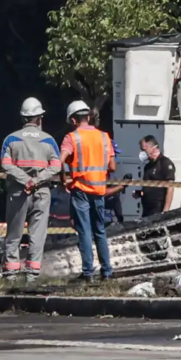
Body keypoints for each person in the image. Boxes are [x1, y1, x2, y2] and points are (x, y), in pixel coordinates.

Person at [0, 97, 61, 283]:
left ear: (23, 118)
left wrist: (25, 180)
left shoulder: (11, 139)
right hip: (41, 192)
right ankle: (32, 275)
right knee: (37, 234)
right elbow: (56, 166)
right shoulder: (49, 140)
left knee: (14, 233)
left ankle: (10, 274)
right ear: (39, 118)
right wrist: (36, 180)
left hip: (19, 191)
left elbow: (6, 165)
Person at [59, 100, 116, 283]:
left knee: (84, 231)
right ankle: (107, 272)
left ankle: (88, 273)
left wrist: (64, 180)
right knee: (100, 231)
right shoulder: (104, 137)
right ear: (89, 117)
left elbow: (60, 160)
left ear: (73, 120)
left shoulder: (71, 138)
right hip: (99, 189)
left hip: (81, 189)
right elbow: (112, 166)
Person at [132, 135, 176, 218]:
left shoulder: (165, 163)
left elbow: (170, 188)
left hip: (158, 209)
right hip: (146, 210)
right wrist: (140, 193)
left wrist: (165, 211)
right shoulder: (147, 167)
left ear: (153, 148)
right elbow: (149, 189)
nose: (141, 152)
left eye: (143, 150)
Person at [103, 141, 125, 225]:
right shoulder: (98, 171)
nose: (115, 158)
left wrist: (120, 218)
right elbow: (102, 192)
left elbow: (116, 198)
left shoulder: (112, 174)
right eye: (113, 155)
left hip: (110, 215)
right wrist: (121, 187)